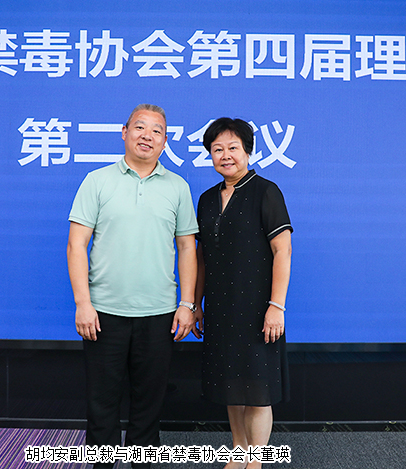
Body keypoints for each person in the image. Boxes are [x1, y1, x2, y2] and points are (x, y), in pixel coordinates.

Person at [67, 104, 198, 469]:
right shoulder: (97, 181)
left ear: (165, 141)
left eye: (157, 131)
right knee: (101, 403)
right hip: (103, 312)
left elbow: (188, 247)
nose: (147, 136)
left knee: (149, 404)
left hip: (159, 313)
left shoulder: (178, 187)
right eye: (140, 127)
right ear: (124, 133)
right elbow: (76, 244)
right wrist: (83, 303)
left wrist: (187, 303)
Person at [192, 117, 293, 469]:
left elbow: (283, 251)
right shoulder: (206, 199)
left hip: (257, 309)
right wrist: (196, 304)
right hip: (220, 308)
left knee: (257, 390)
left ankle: (256, 461)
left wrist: (276, 306)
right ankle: (238, 451)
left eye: (233, 148)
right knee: (230, 386)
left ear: (247, 151)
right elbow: (201, 258)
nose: (225, 155)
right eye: (217, 149)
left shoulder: (266, 191)